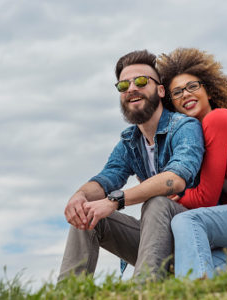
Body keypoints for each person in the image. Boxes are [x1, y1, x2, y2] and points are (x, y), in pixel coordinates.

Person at [58, 50, 204, 282]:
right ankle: (67, 294)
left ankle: (143, 290)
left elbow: (176, 178)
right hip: (153, 243)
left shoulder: (184, 127)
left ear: (160, 90)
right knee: (85, 211)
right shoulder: (129, 142)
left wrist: (115, 201)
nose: (131, 89)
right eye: (123, 85)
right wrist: (80, 195)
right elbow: (108, 177)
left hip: (192, 239)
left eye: (141, 81)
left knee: (157, 202)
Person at [156, 48, 227, 279]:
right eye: (177, 92)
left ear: (208, 91)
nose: (185, 94)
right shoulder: (194, 144)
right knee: (197, 264)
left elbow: (206, 199)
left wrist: (173, 195)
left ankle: (194, 294)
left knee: (186, 220)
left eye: (193, 86)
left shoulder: (218, 119)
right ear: (172, 104)